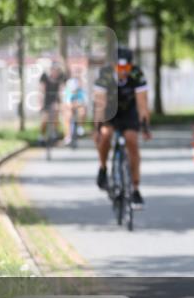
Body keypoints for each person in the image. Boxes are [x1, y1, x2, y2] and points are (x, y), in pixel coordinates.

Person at [93, 47, 151, 208]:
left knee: (132, 141)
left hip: (129, 111)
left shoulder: (136, 74)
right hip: (109, 110)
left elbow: (142, 102)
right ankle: (103, 168)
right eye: (119, 68)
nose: (123, 72)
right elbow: (100, 103)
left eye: (126, 68)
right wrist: (97, 129)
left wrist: (145, 127)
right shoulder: (105, 75)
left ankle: (135, 189)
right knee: (105, 135)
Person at [38, 63, 65, 144]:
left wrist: (61, 102)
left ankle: (54, 132)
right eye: (54, 70)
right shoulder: (44, 77)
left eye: (57, 71)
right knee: (44, 119)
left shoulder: (61, 77)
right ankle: (41, 135)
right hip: (46, 99)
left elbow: (61, 90)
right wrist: (40, 104)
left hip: (55, 99)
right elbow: (41, 91)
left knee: (55, 113)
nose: (55, 72)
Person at [61, 77, 87, 145]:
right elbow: (66, 104)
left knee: (82, 111)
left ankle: (80, 127)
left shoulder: (81, 91)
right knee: (67, 116)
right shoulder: (66, 92)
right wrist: (74, 105)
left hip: (78, 108)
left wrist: (77, 104)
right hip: (69, 108)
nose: (74, 91)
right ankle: (67, 136)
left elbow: (84, 102)